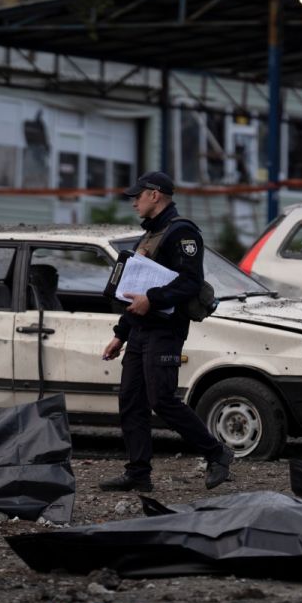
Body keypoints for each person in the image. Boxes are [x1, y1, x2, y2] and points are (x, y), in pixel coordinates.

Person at [99, 171, 234, 492]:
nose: (134, 202)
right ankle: (138, 473)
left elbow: (189, 282)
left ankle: (218, 453)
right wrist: (121, 334)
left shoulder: (182, 233)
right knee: (131, 400)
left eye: (138, 196)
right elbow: (136, 289)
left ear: (155, 195)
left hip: (166, 331)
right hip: (141, 330)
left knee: (162, 398)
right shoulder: (147, 236)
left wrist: (154, 299)